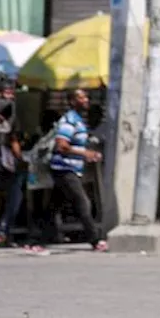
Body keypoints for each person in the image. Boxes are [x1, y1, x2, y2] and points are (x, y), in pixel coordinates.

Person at [47, 89, 106, 251]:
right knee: (82, 202)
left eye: (86, 96)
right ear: (72, 101)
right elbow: (61, 145)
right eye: (81, 97)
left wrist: (88, 153)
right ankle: (95, 239)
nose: (86, 100)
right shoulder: (69, 121)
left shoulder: (79, 121)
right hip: (64, 168)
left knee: (54, 206)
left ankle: (37, 238)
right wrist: (84, 153)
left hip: (72, 168)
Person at [0, 80, 26, 246]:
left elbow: (13, 138)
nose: (10, 97)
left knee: (16, 195)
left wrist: (20, 159)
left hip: (7, 160)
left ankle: (4, 232)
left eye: (12, 93)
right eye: (7, 93)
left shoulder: (11, 114)